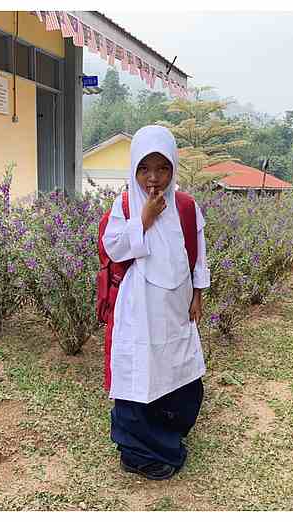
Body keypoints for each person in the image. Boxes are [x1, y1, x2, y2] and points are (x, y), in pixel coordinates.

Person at [101, 125, 210, 481]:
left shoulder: (186, 205)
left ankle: (169, 434)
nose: (154, 178)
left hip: (176, 305)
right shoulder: (126, 203)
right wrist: (143, 220)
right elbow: (113, 247)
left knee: (177, 369)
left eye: (162, 168)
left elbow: (198, 257)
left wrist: (197, 294)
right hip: (140, 307)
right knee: (142, 369)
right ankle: (139, 449)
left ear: (173, 167)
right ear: (134, 169)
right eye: (145, 168)